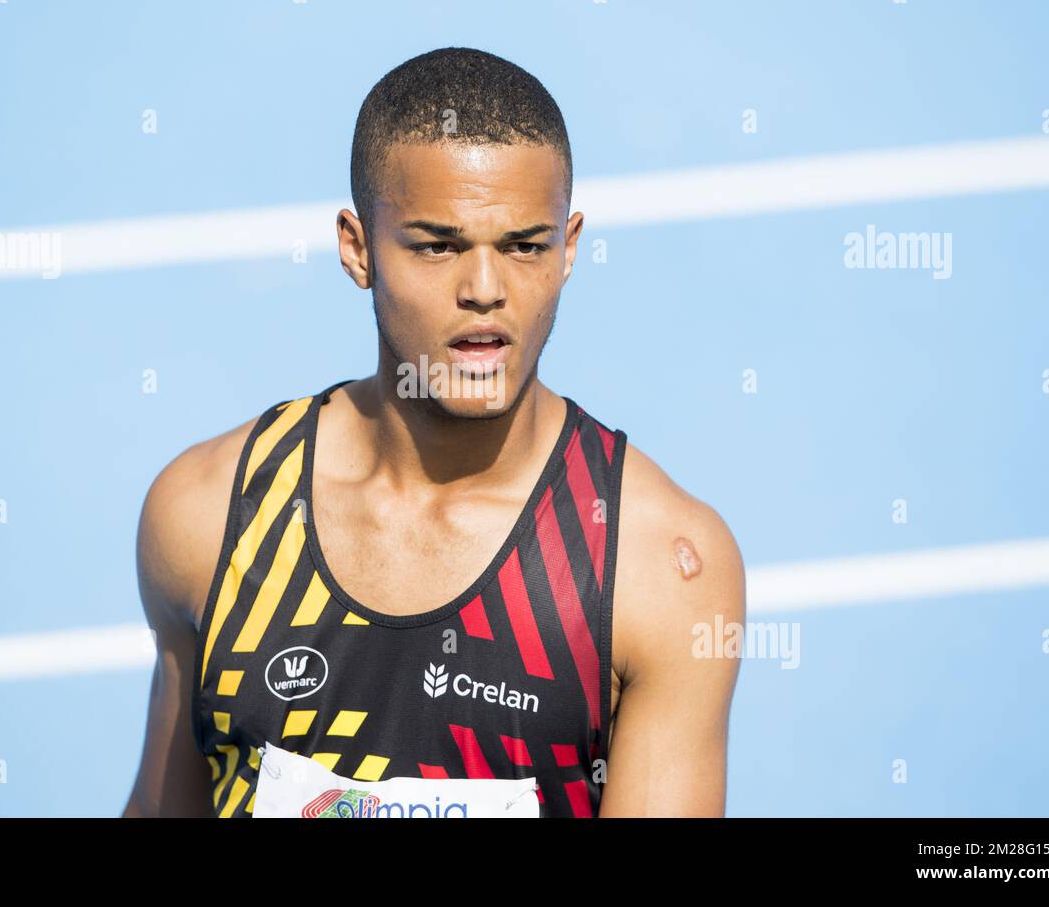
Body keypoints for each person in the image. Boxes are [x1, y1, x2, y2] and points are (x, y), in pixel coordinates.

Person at [122, 46, 745, 818]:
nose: (485, 291)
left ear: (570, 248)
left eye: (524, 246)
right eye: (437, 245)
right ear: (357, 249)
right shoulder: (209, 513)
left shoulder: (656, 566)